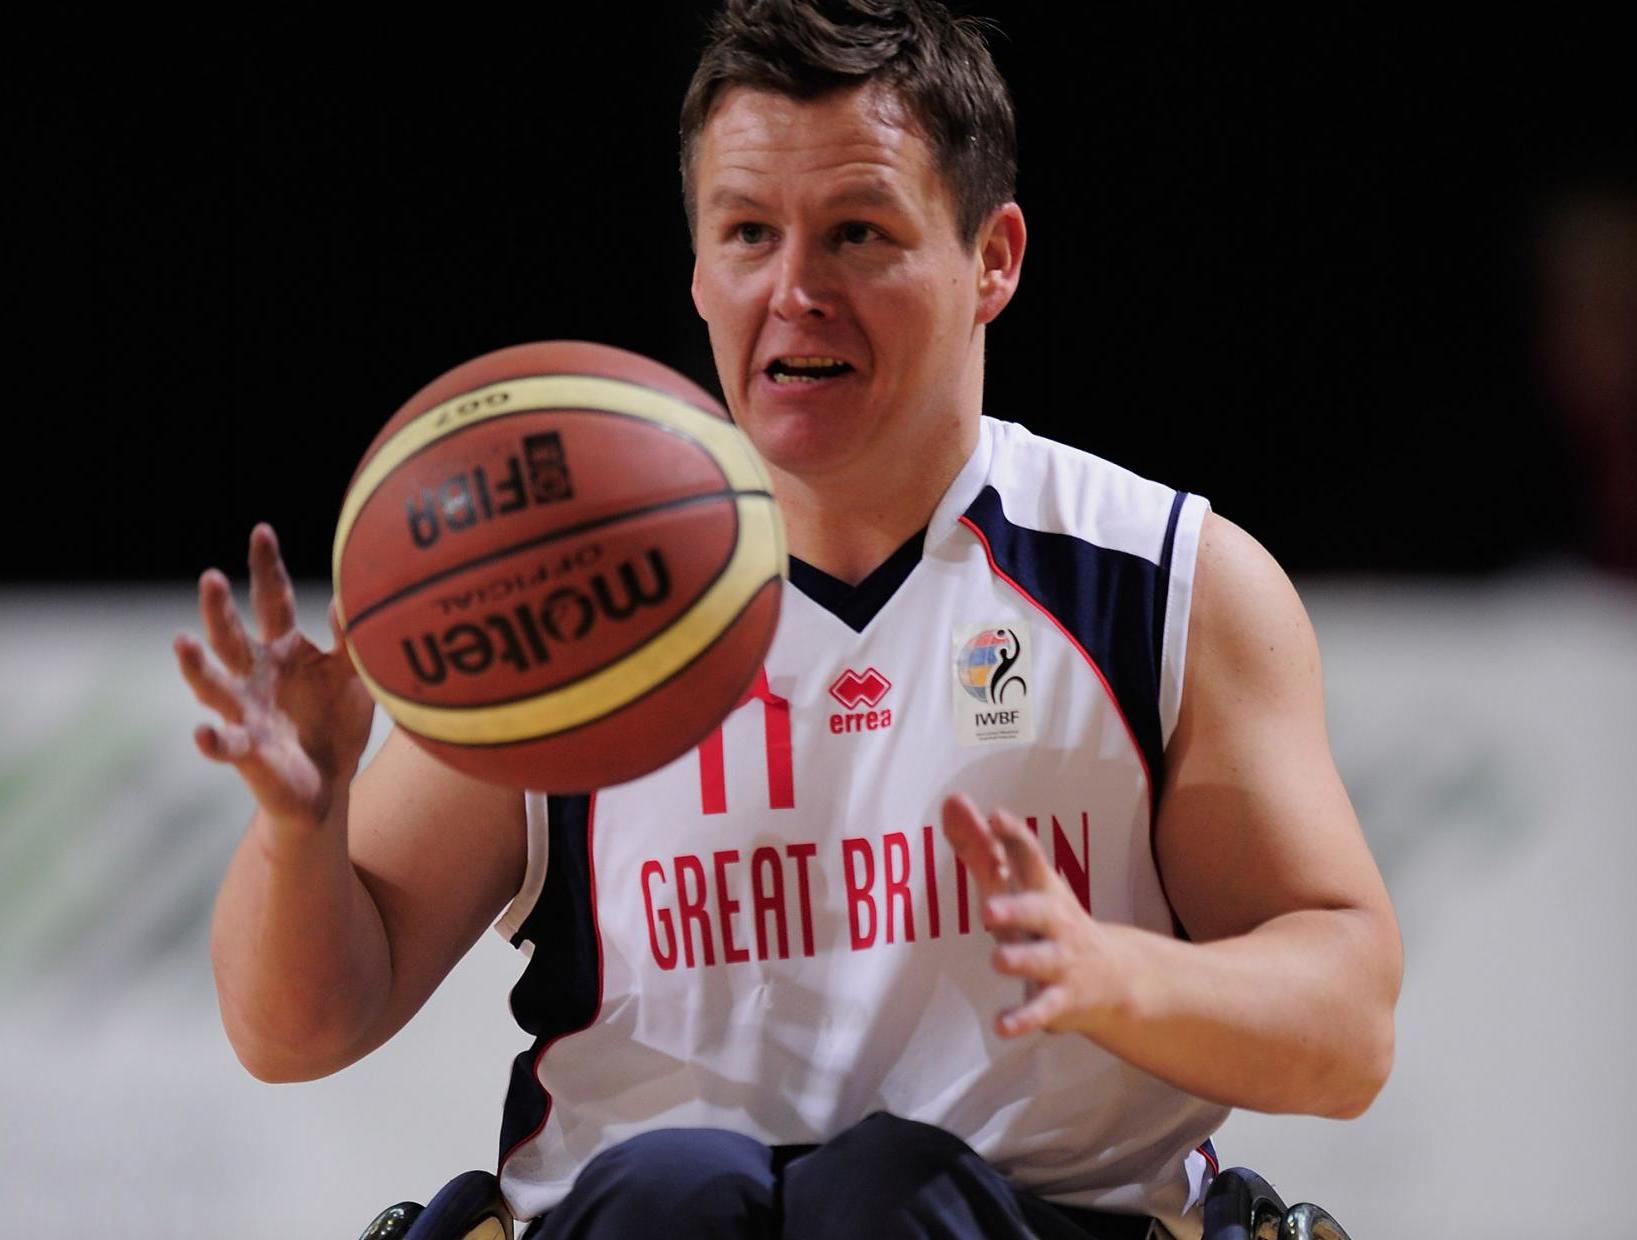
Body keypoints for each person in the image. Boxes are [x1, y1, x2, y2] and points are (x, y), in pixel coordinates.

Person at [175, 3, 1402, 1237]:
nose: (795, 290)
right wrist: (305, 823)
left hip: (1036, 1216)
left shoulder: (1163, 581)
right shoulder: (565, 595)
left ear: (995, 257)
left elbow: (1347, 1031)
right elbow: (297, 1030)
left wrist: (1128, 974)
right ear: (699, 267)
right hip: (636, 1217)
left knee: (885, 1199)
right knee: (674, 1192)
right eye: (749, 233)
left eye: (857, 234)